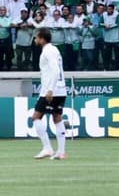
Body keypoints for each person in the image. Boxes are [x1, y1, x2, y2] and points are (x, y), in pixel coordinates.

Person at [31, 27, 68, 160]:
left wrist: (50, 89)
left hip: (51, 89)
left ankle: (47, 148)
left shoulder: (48, 51)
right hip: (61, 89)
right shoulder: (54, 49)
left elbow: (55, 70)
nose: (35, 39)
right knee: (57, 118)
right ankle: (61, 151)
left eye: (36, 37)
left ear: (41, 38)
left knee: (36, 117)